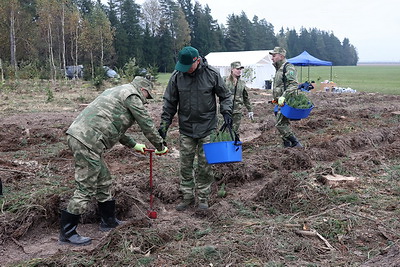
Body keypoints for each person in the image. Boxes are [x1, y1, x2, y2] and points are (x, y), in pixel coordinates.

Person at [60, 76, 168, 246]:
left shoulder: (118, 91)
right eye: (147, 97)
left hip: (85, 138)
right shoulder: (132, 96)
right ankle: (67, 233)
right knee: (86, 187)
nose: (146, 101)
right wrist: (160, 145)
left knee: (104, 180)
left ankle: (108, 221)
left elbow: (114, 126)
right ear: (144, 90)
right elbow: (146, 123)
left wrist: (134, 145)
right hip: (87, 141)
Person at [158, 46, 233, 211]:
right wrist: (164, 125)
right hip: (186, 128)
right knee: (185, 165)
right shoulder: (177, 76)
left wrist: (226, 112)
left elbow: (225, 95)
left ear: (197, 60)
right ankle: (187, 197)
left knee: (205, 165)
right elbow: (169, 102)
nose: (185, 70)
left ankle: (203, 198)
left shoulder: (211, 74)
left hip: (207, 127)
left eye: (188, 67)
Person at [270, 47, 303, 148]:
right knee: (284, 123)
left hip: (285, 101)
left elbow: (293, 85)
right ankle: (286, 145)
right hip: (279, 101)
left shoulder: (288, 67)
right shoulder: (279, 69)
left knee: (280, 124)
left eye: (274, 56)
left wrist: (283, 97)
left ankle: (296, 143)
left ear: (281, 56)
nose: (272, 58)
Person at [222, 61, 254, 135]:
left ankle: (234, 144)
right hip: (226, 110)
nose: (239, 71)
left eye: (240, 69)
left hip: (237, 111)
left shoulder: (242, 83)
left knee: (234, 130)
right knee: (225, 130)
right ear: (232, 69)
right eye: (237, 69)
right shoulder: (225, 80)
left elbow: (246, 97)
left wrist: (250, 110)